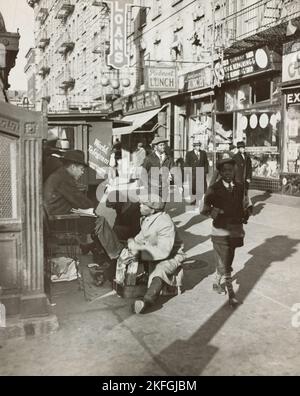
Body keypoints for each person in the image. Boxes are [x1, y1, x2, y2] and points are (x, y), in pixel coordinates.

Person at [43, 150, 124, 282]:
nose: (82, 172)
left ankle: (98, 251)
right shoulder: (63, 178)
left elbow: (75, 199)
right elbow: (81, 201)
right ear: (73, 167)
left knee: (95, 220)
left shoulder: (60, 175)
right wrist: (93, 206)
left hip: (56, 216)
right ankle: (117, 254)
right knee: (100, 221)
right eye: (81, 169)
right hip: (60, 221)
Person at [201, 153, 251, 307]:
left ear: (234, 171)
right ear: (220, 173)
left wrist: (247, 211)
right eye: (225, 171)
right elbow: (204, 209)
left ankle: (217, 280)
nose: (228, 173)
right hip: (220, 230)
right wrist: (215, 212)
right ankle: (231, 294)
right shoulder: (214, 189)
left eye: (231, 170)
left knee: (228, 258)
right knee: (226, 262)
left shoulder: (240, 187)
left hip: (235, 229)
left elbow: (245, 204)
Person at [128, 194, 186, 314]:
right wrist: (132, 243)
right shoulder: (148, 218)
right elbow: (142, 236)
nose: (140, 205)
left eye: (143, 204)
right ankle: (141, 279)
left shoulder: (165, 223)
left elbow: (163, 252)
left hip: (171, 255)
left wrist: (139, 249)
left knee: (160, 270)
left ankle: (147, 301)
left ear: (152, 209)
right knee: (129, 256)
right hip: (154, 251)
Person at [142, 136, 174, 201]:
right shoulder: (149, 158)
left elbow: (173, 170)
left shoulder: (169, 158)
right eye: (161, 145)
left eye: (164, 145)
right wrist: (146, 186)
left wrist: (171, 176)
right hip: (153, 186)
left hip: (164, 186)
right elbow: (143, 173)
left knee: (162, 204)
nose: (163, 146)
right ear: (155, 147)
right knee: (155, 205)